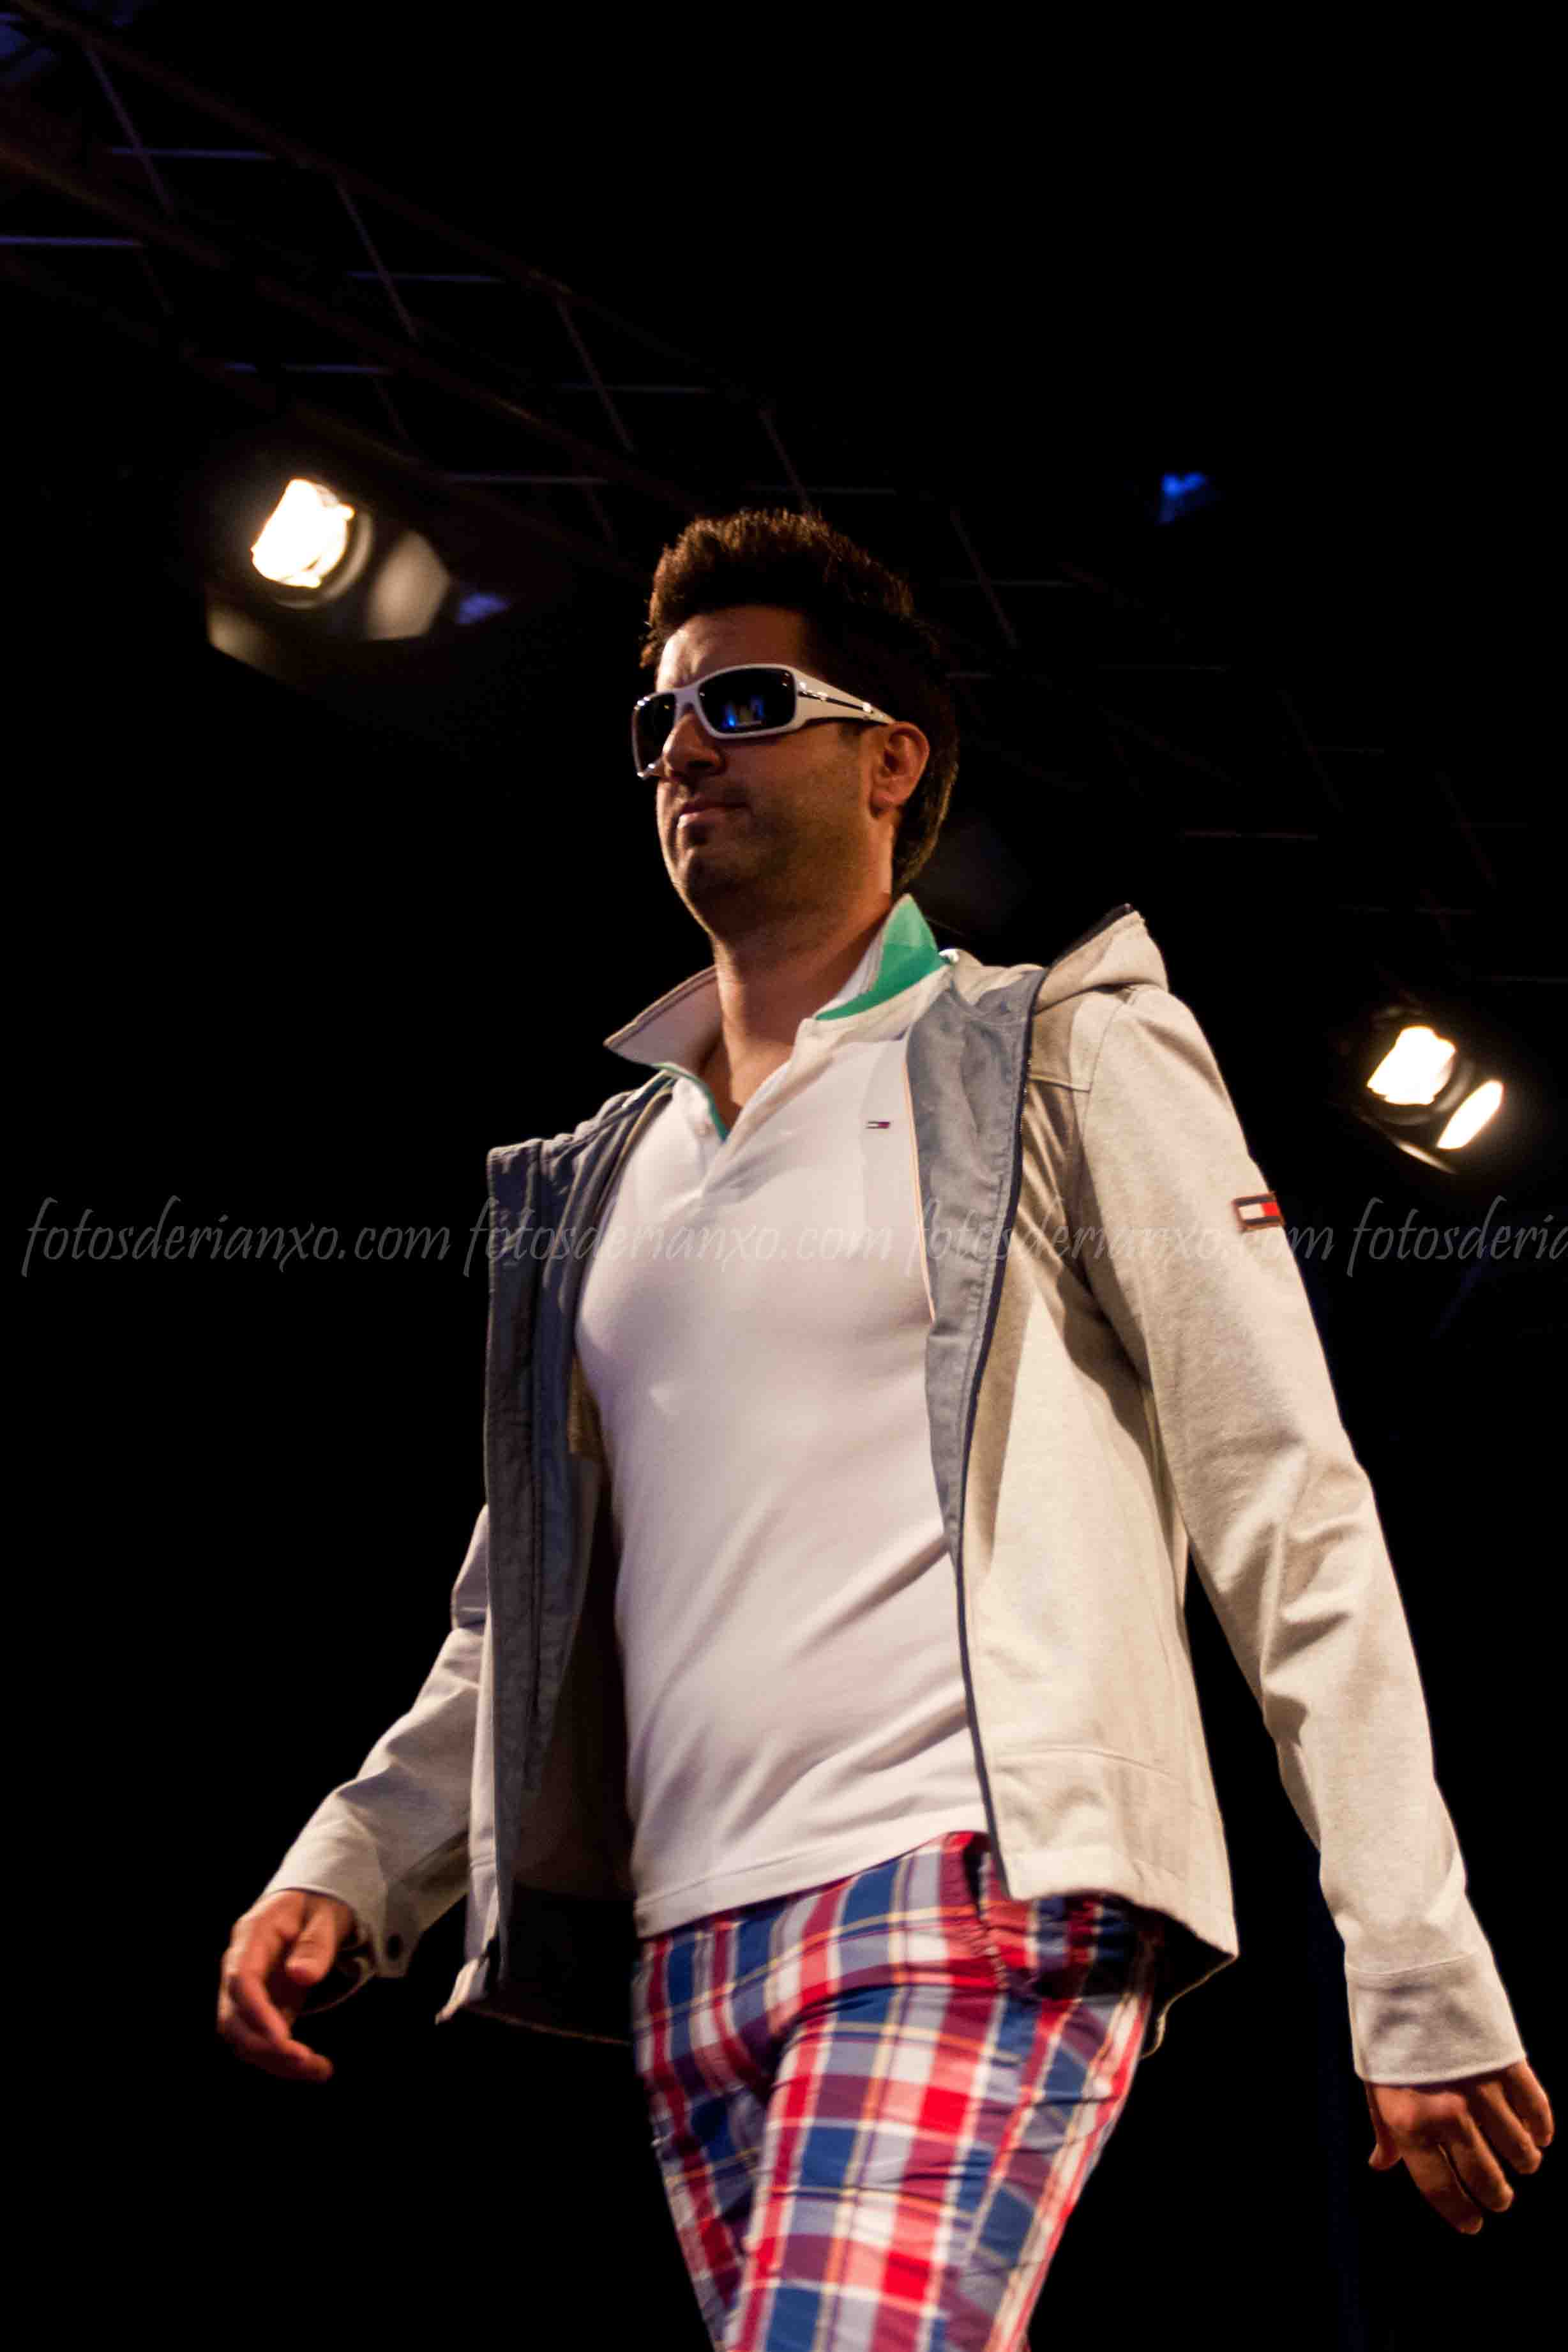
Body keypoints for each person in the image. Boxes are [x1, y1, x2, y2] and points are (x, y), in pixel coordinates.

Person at [218, 506, 1551, 2346]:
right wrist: (354, 1861)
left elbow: (1284, 1500)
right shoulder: (601, 1185)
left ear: (891, 759)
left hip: (971, 1889)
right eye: (664, 718)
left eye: (748, 702)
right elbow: (516, 1611)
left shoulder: (1061, 1052)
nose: (687, 748)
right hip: (689, 1954)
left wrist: (1414, 1957)